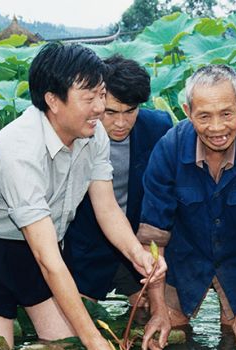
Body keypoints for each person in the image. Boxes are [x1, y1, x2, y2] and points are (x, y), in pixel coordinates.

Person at [0, 43, 166, 350]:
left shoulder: (92, 134)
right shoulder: (19, 151)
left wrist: (137, 255)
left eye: (102, 95)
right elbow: (48, 259)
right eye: (90, 97)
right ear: (53, 100)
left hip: (46, 244)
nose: (100, 107)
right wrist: (94, 340)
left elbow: (107, 207)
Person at [138, 65, 236, 350]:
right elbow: (152, 238)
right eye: (204, 116)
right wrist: (157, 309)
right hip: (184, 260)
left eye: (227, 114)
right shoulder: (169, 148)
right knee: (169, 335)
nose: (217, 128)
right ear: (187, 110)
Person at [63, 55, 172, 315]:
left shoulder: (158, 129)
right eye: (111, 112)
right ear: (97, 99)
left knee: (150, 315)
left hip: (136, 242)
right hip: (84, 244)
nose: (121, 123)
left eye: (130, 111)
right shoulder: (75, 133)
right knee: (78, 324)